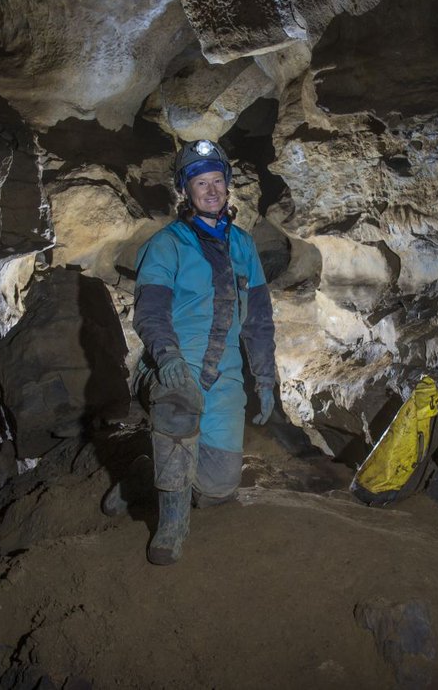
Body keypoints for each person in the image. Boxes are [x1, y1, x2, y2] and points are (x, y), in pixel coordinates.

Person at [117, 138, 277, 566]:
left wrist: (264, 378)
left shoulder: (243, 246)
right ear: (185, 191)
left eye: (217, 181)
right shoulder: (168, 244)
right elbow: (149, 312)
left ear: (227, 186)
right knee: (178, 402)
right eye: (200, 183)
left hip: (223, 377)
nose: (211, 190)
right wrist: (166, 357)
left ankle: (139, 475)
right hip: (172, 366)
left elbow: (259, 321)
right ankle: (171, 525)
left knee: (218, 490)